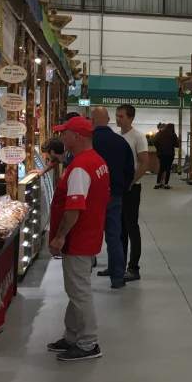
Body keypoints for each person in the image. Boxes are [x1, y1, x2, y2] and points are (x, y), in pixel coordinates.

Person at [46, 116, 110, 362]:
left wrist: (60, 236)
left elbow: (74, 208)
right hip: (90, 233)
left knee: (79, 291)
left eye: (65, 133)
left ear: (77, 136)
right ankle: (72, 336)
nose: (62, 137)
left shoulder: (81, 167)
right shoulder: (97, 161)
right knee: (77, 289)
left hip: (78, 238)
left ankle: (88, 343)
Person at [89, 106, 134, 289]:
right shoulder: (120, 142)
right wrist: (122, 188)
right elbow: (129, 170)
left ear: (92, 121)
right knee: (114, 237)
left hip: (91, 196)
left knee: (88, 235)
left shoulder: (88, 141)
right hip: (114, 195)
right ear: (108, 120)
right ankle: (117, 277)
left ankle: (83, 277)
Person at [115, 103, 151, 280]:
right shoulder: (118, 137)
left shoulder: (138, 137)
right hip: (119, 187)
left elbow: (144, 162)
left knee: (131, 227)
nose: (118, 119)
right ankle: (119, 265)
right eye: (117, 115)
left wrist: (132, 182)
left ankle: (133, 268)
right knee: (120, 228)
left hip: (131, 188)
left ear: (131, 118)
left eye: (121, 116)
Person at [152, 123, 179, 189]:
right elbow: (177, 145)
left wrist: (159, 148)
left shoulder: (160, 133)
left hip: (161, 154)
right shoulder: (173, 134)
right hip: (170, 154)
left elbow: (154, 141)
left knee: (161, 168)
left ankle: (158, 183)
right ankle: (166, 184)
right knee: (168, 169)